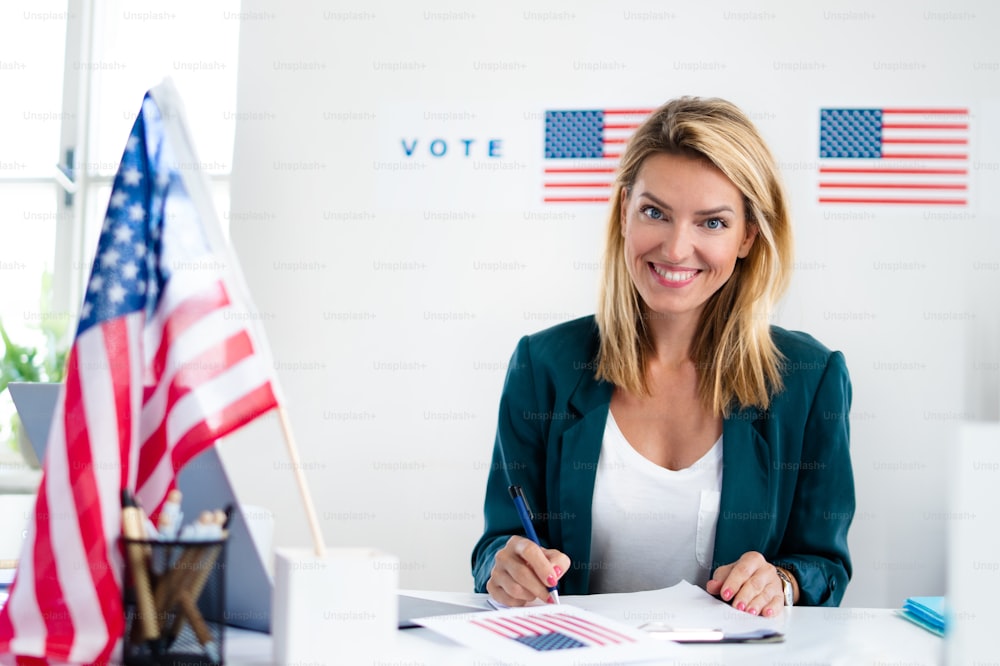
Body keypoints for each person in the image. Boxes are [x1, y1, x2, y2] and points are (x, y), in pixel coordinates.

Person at [471, 96, 854, 618]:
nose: (676, 249)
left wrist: (781, 581)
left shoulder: (810, 378)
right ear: (625, 212)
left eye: (712, 223)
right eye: (656, 212)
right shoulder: (543, 366)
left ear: (748, 235)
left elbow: (824, 565)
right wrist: (504, 565)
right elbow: (496, 546)